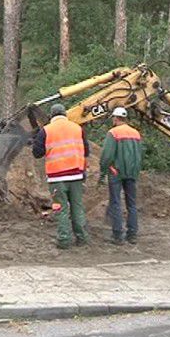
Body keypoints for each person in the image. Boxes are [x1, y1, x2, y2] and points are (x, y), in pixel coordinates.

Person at [32, 103, 90, 249]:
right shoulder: (77, 128)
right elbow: (86, 151)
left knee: (61, 208)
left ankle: (64, 240)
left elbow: (37, 153)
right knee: (77, 207)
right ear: (65, 114)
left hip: (57, 177)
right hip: (76, 176)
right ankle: (82, 238)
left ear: (51, 115)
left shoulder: (46, 130)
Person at [99, 107, 143, 245]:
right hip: (132, 173)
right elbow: (139, 154)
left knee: (116, 202)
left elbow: (107, 155)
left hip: (116, 172)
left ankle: (118, 235)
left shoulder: (113, 133)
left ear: (115, 118)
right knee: (132, 204)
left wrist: (103, 170)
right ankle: (132, 234)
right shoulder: (136, 133)